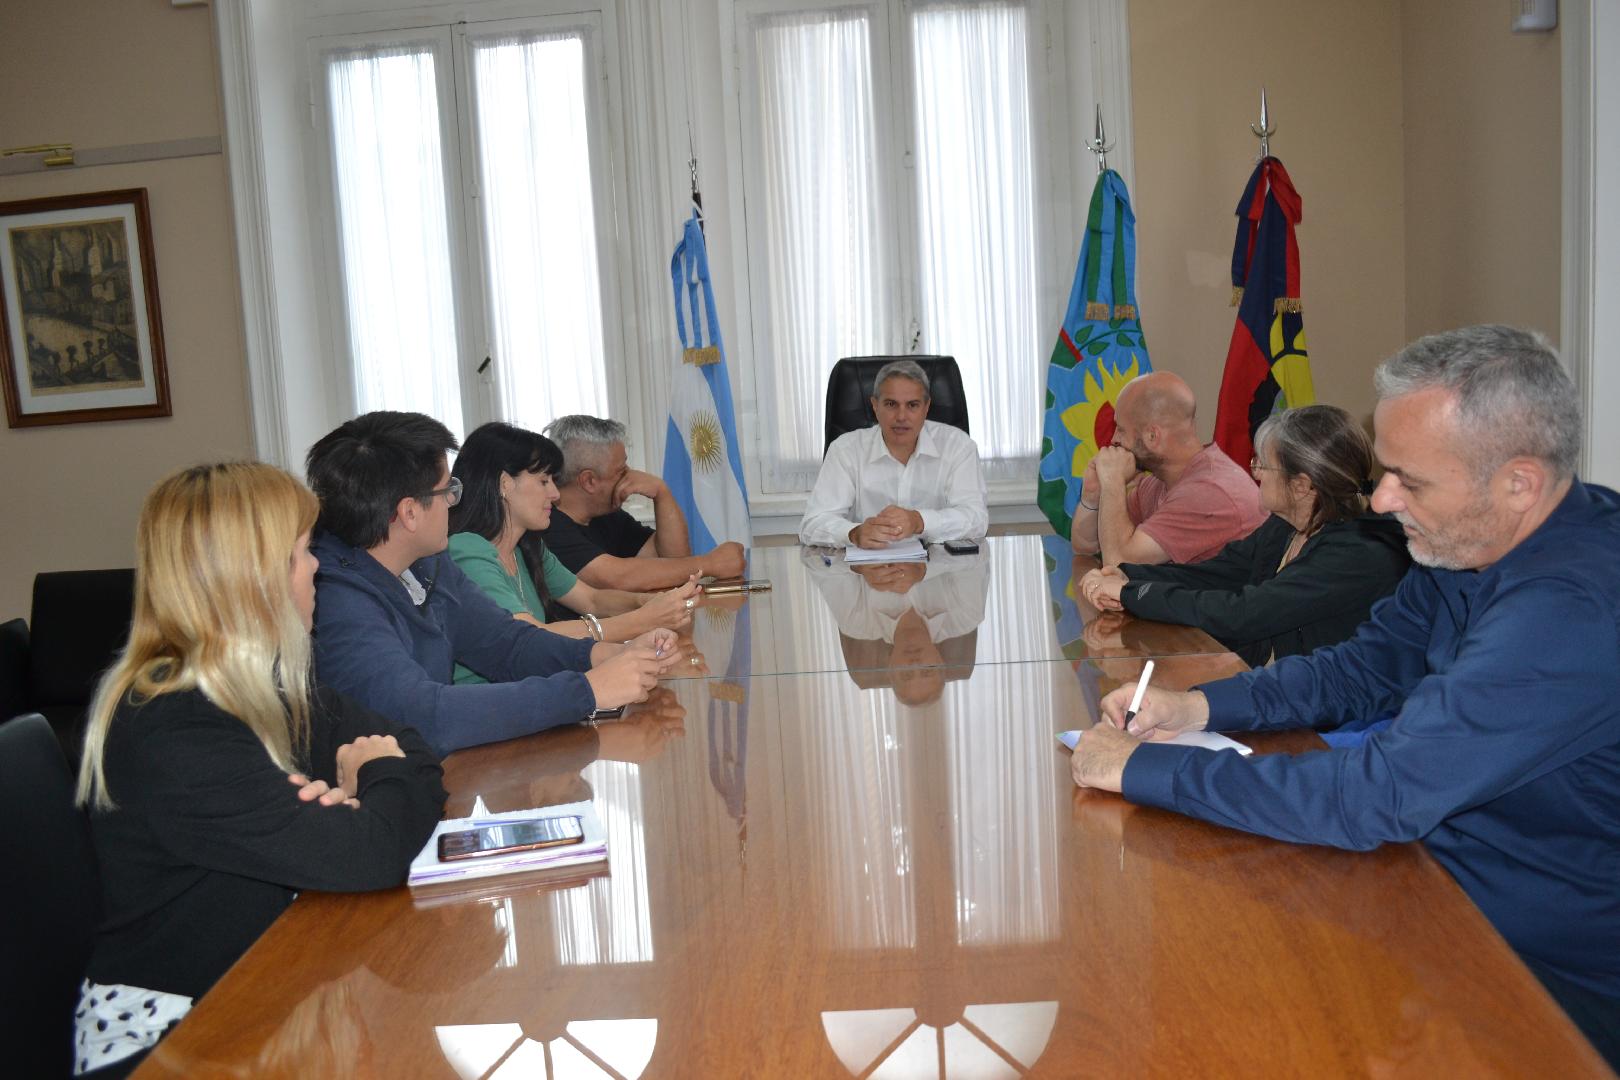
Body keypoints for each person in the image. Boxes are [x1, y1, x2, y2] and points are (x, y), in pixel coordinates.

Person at [1068, 326, 1620, 1069]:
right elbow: (1359, 669)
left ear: (1517, 481)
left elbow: (1381, 791)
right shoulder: (1470, 536)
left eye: (1408, 480)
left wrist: (1137, 771)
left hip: (1540, 970)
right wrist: (1199, 709)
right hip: (1430, 882)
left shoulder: (1572, 610)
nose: (1383, 499)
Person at [72, 463, 447, 1078]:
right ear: (250, 581)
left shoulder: (267, 683)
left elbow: (410, 744)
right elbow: (371, 853)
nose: (317, 567)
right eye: (302, 554)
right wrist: (373, 782)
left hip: (264, 981)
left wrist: (370, 786)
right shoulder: (173, 728)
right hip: (171, 1034)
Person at [306, 411, 678, 757]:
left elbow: (505, 644)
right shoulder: (338, 601)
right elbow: (427, 715)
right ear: (409, 512)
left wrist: (608, 656)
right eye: (446, 491)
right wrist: (589, 690)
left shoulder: (427, 564)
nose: (454, 502)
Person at [1077, 404, 1410, 666]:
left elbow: (1243, 614)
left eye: (1263, 464)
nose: (1255, 473)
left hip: (1331, 722)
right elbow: (1216, 574)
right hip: (1270, 688)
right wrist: (1126, 575)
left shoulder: (1356, 553)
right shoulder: (1285, 526)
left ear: (1303, 485)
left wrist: (1130, 594)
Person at [447, 422, 703, 683]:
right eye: (544, 481)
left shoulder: (528, 546)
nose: (555, 494)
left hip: (532, 692)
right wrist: (642, 620)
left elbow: (592, 600)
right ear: (504, 484)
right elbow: (530, 637)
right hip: (495, 708)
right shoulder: (467, 550)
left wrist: (648, 603)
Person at [1069, 371, 1265, 565]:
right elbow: (1086, 547)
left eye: (1120, 430)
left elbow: (1118, 561)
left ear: (1152, 436)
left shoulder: (1208, 492)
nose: (1113, 440)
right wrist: (1092, 494)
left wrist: (1113, 482)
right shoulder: (1159, 483)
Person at [541, 414, 748, 590]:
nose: (630, 475)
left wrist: (662, 493)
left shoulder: (606, 515)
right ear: (589, 481)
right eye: (621, 470)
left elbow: (671, 560)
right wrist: (710, 564)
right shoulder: (548, 524)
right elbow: (617, 577)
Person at [799, 359, 988, 548]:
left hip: (938, 573)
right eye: (891, 404)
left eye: (912, 405)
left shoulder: (958, 446)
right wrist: (852, 533)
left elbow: (976, 519)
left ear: (926, 407)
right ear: (875, 405)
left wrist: (919, 521)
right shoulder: (845, 450)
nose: (901, 417)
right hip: (863, 572)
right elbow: (812, 525)